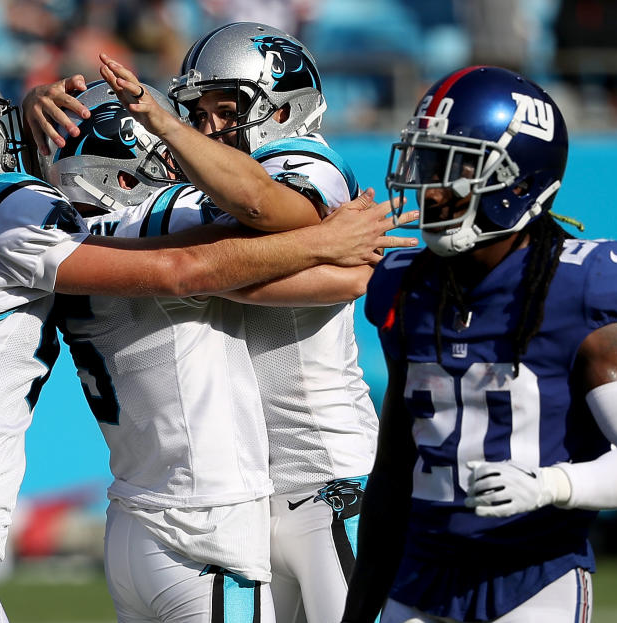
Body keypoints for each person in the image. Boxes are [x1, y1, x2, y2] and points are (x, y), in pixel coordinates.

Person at [0, 52, 404, 623]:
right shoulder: (34, 209)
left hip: (103, 519)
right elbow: (195, 266)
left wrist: (37, 137)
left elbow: (76, 223)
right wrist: (327, 242)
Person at [26, 75, 417, 622]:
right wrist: (325, 242)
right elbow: (265, 252)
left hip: (163, 511)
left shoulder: (64, 242)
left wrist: (34, 113)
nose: (181, 160)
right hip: (223, 517)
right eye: (162, 153)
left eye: (220, 113)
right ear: (118, 167)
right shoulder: (163, 216)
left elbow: (216, 263)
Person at [342, 65, 617, 623]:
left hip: (532, 573)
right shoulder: (408, 282)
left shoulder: (582, 285)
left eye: (455, 169)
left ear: (518, 181)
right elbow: (395, 470)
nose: (432, 188)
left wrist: (552, 484)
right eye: (427, 163)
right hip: (421, 573)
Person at [102, 22, 386, 623]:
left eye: (225, 110)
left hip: (331, 478)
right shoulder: (205, 190)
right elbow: (219, 263)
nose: (208, 129)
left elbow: (262, 204)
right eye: (197, 114)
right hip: (254, 501)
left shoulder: (308, 163)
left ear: (283, 107)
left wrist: (165, 125)